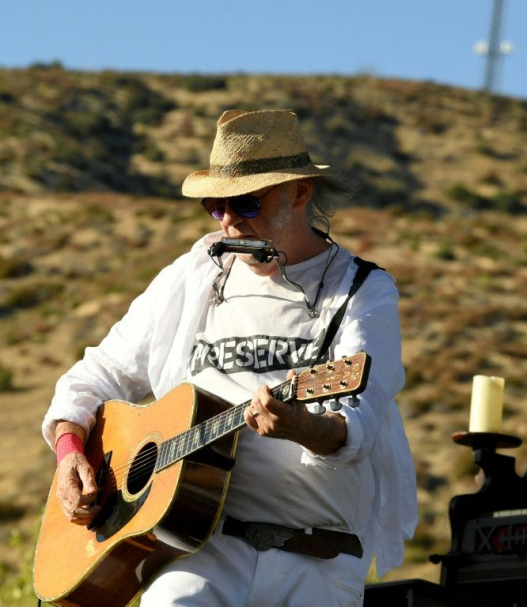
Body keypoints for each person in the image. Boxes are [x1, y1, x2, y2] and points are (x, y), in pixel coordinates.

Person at [41, 109, 417, 606]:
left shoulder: (362, 291)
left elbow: (359, 426)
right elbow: (95, 376)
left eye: (246, 203)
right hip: (196, 551)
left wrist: (302, 427)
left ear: (299, 193)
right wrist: (70, 453)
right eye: (215, 206)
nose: (228, 220)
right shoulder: (192, 276)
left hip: (315, 562)